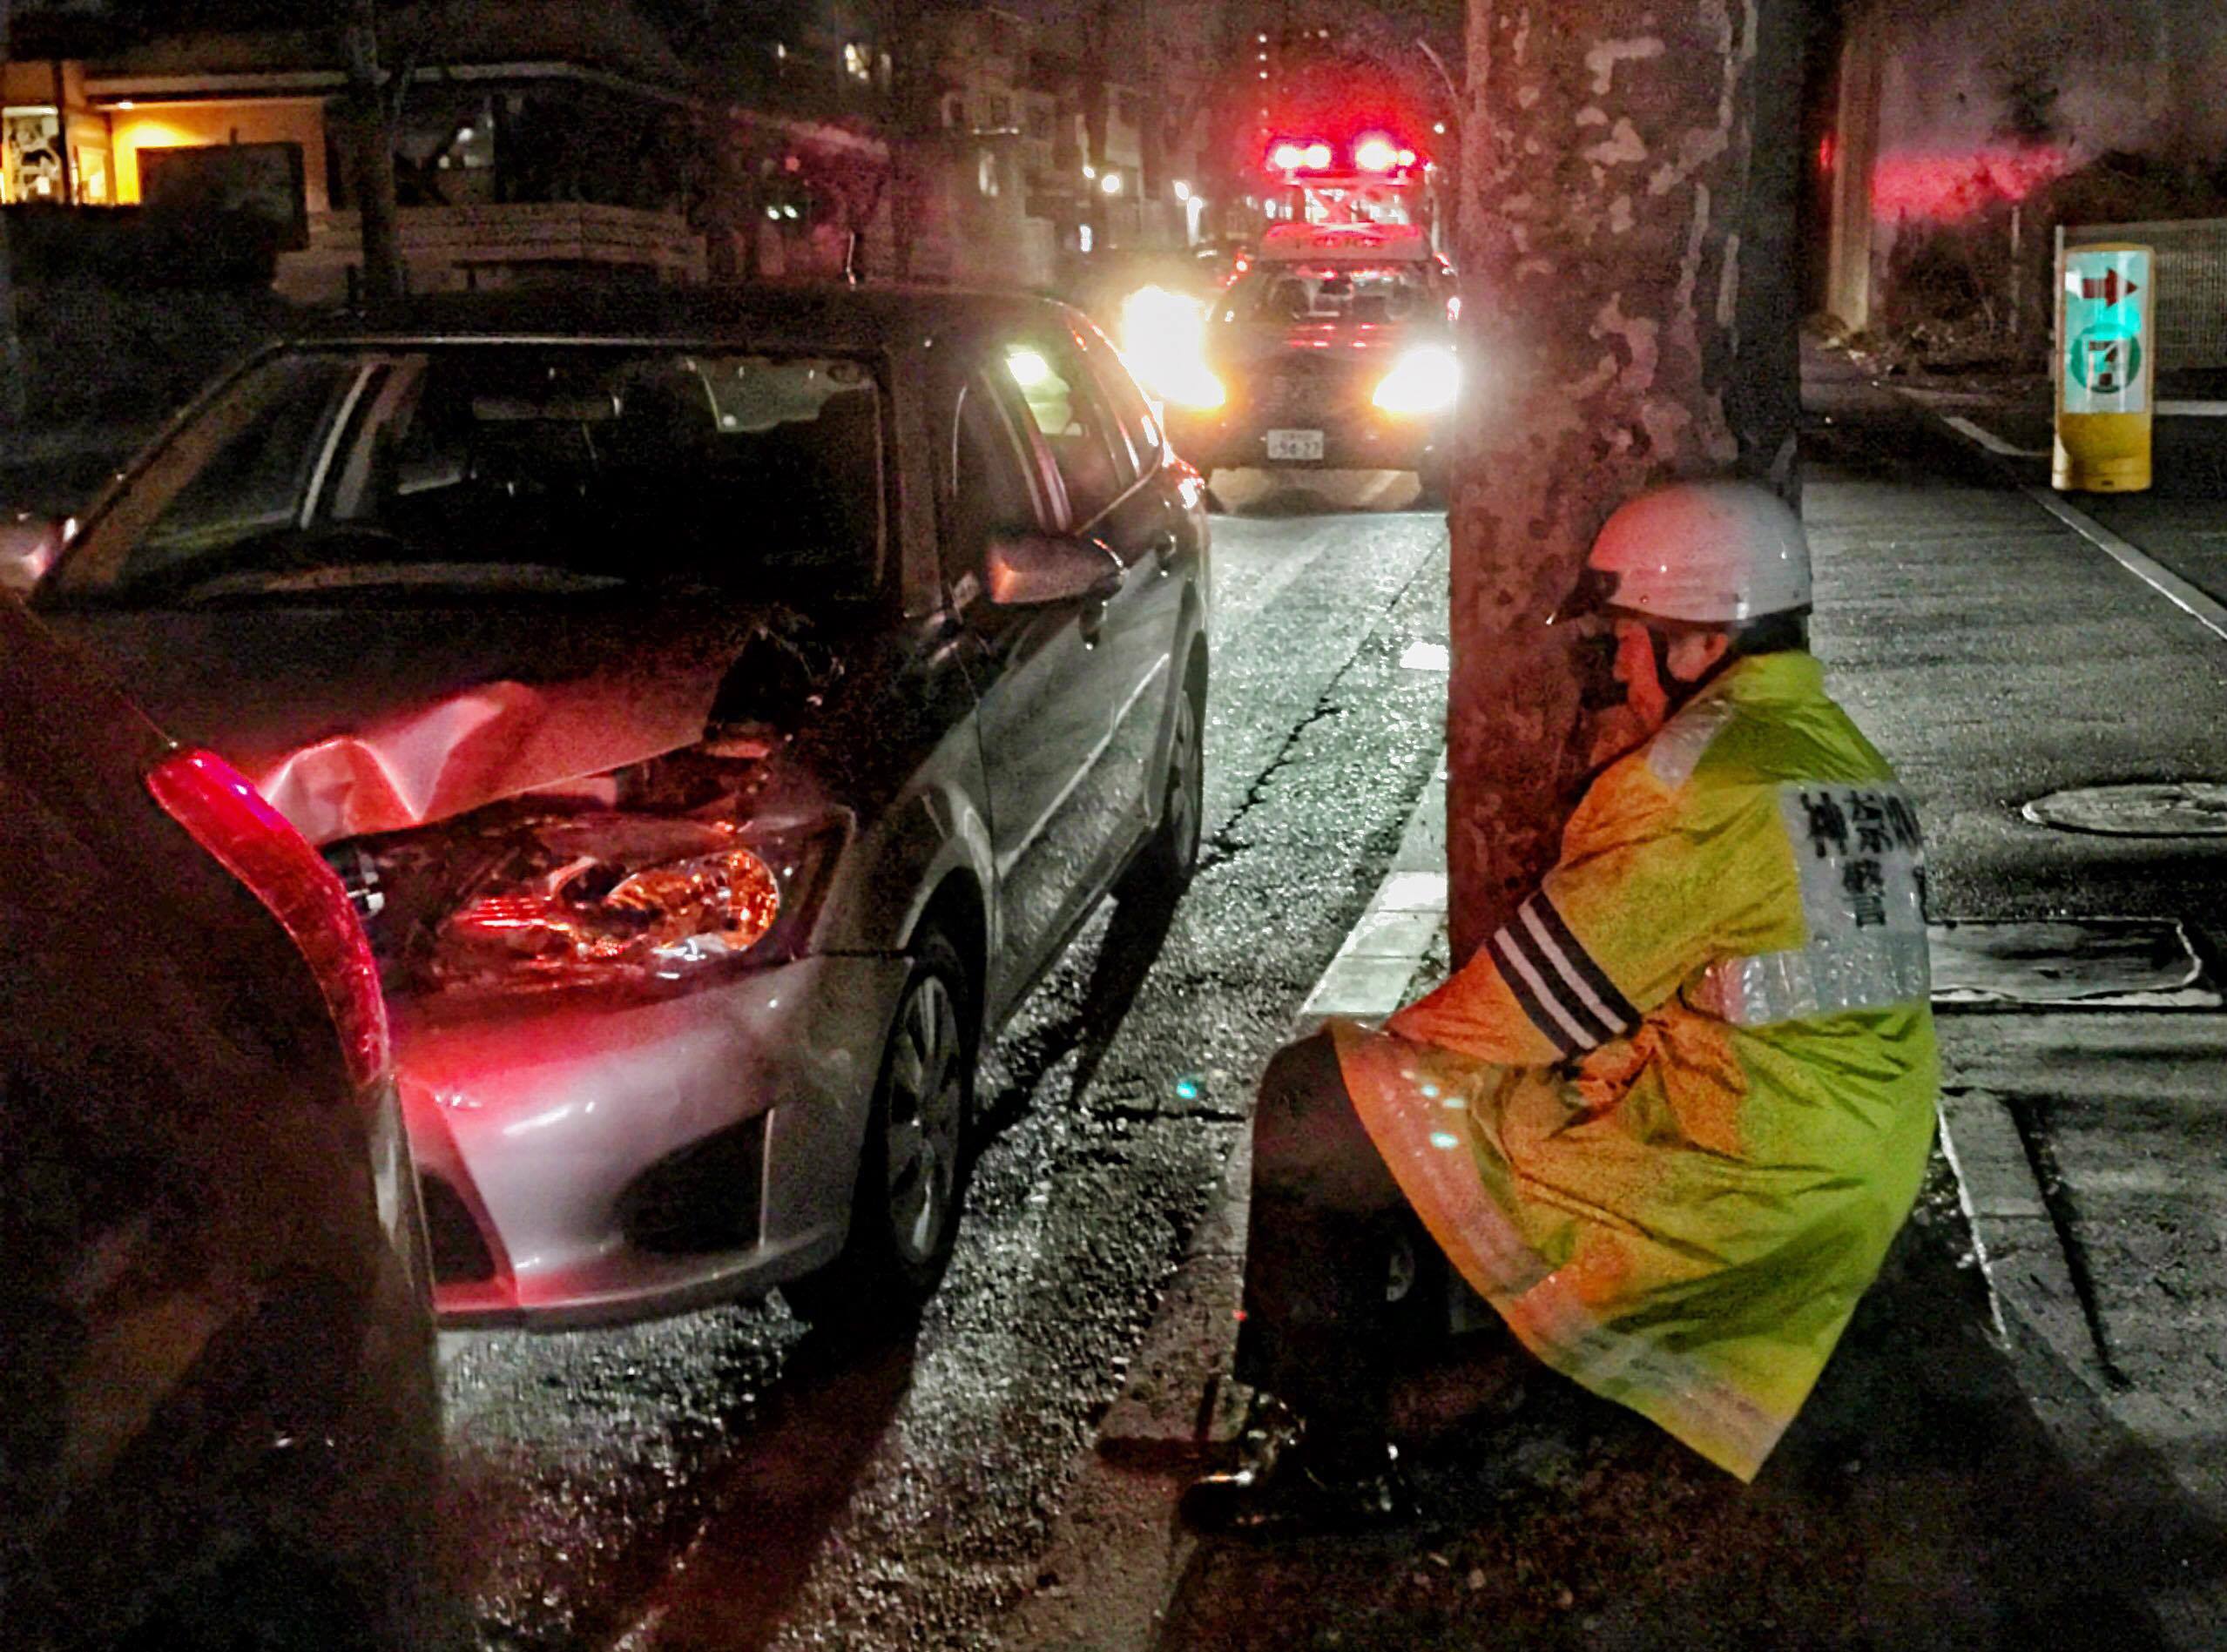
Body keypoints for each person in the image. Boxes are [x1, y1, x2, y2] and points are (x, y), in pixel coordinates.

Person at [1186, 480, 1940, 1533]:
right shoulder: (1846, 761)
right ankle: (1430, 1388)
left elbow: (1518, 1010)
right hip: (1854, 1163)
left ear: (1698, 641)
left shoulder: (1689, 784)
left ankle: (1333, 1459)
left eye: (1628, 638)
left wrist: (1382, 1071)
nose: (1618, 668)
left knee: (1319, 1096)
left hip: (1733, 1170)